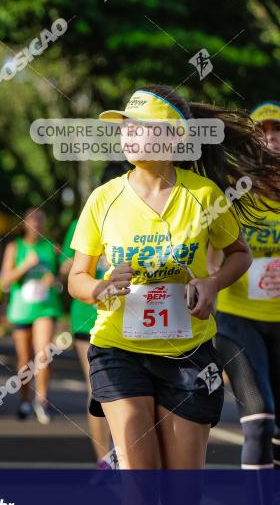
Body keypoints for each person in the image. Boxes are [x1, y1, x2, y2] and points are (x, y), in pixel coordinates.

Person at [68, 85, 280, 470]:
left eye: (140, 127)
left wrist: (212, 283)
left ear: (173, 137)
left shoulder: (204, 194)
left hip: (189, 354)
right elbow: (76, 277)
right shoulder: (104, 198)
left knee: (181, 501)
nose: (128, 135)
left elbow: (239, 254)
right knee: (142, 487)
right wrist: (100, 287)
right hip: (118, 347)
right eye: (124, 127)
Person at [214, 101, 280, 470]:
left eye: (278, 130)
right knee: (259, 416)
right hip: (238, 317)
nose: (271, 137)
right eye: (263, 131)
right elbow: (206, 249)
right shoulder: (231, 192)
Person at [60, 163, 127, 466]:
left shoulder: (139, 221)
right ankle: (104, 457)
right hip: (89, 317)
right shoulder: (85, 218)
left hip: (130, 318)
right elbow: (67, 269)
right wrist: (97, 267)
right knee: (98, 390)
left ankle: (126, 452)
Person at [1, 208, 63, 424]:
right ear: (24, 224)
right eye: (32, 220)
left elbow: (57, 276)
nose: (36, 224)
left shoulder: (51, 248)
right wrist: (25, 265)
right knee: (24, 360)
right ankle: (25, 400)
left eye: (40, 219)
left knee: (44, 353)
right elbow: (5, 281)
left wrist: (54, 279)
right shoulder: (14, 247)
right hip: (21, 310)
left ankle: (42, 400)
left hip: (46, 307)